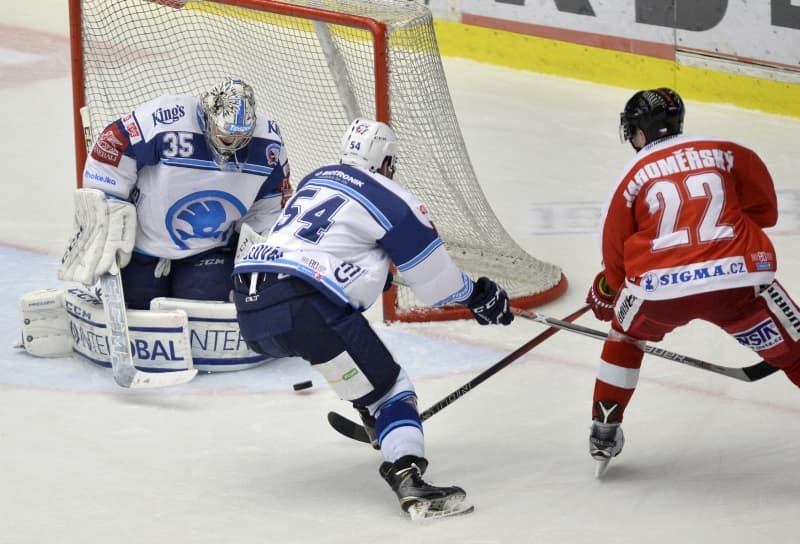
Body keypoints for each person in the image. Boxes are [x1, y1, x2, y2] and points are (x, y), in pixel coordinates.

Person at [232, 118, 514, 519]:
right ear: (386, 162)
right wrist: (480, 296)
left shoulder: (318, 179)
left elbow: (329, 245)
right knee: (392, 389)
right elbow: (437, 284)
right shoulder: (393, 198)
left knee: (342, 351)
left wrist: (369, 273)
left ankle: (372, 410)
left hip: (250, 303)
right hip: (302, 302)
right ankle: (408, 475)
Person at [585, 87, 800, 474]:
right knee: (797, 352)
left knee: (624, 337)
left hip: (658, 292)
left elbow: (615, 254)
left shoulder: (632, 175)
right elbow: (766, 212)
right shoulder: (725, 150)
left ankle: (604, 430)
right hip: (738, 284)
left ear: (641, 132)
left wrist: (608, 290)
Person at [59, 78, 293, 312]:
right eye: (226, 135)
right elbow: (113, 147)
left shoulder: (268, 142)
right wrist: (108, 203)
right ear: (207, 117)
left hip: (209, 249)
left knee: (207, 305)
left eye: (242, 137)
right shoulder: (165, 117)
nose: (233, 144)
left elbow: (272, 200)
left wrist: (260, 242)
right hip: (141, 246)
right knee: (135, 304)